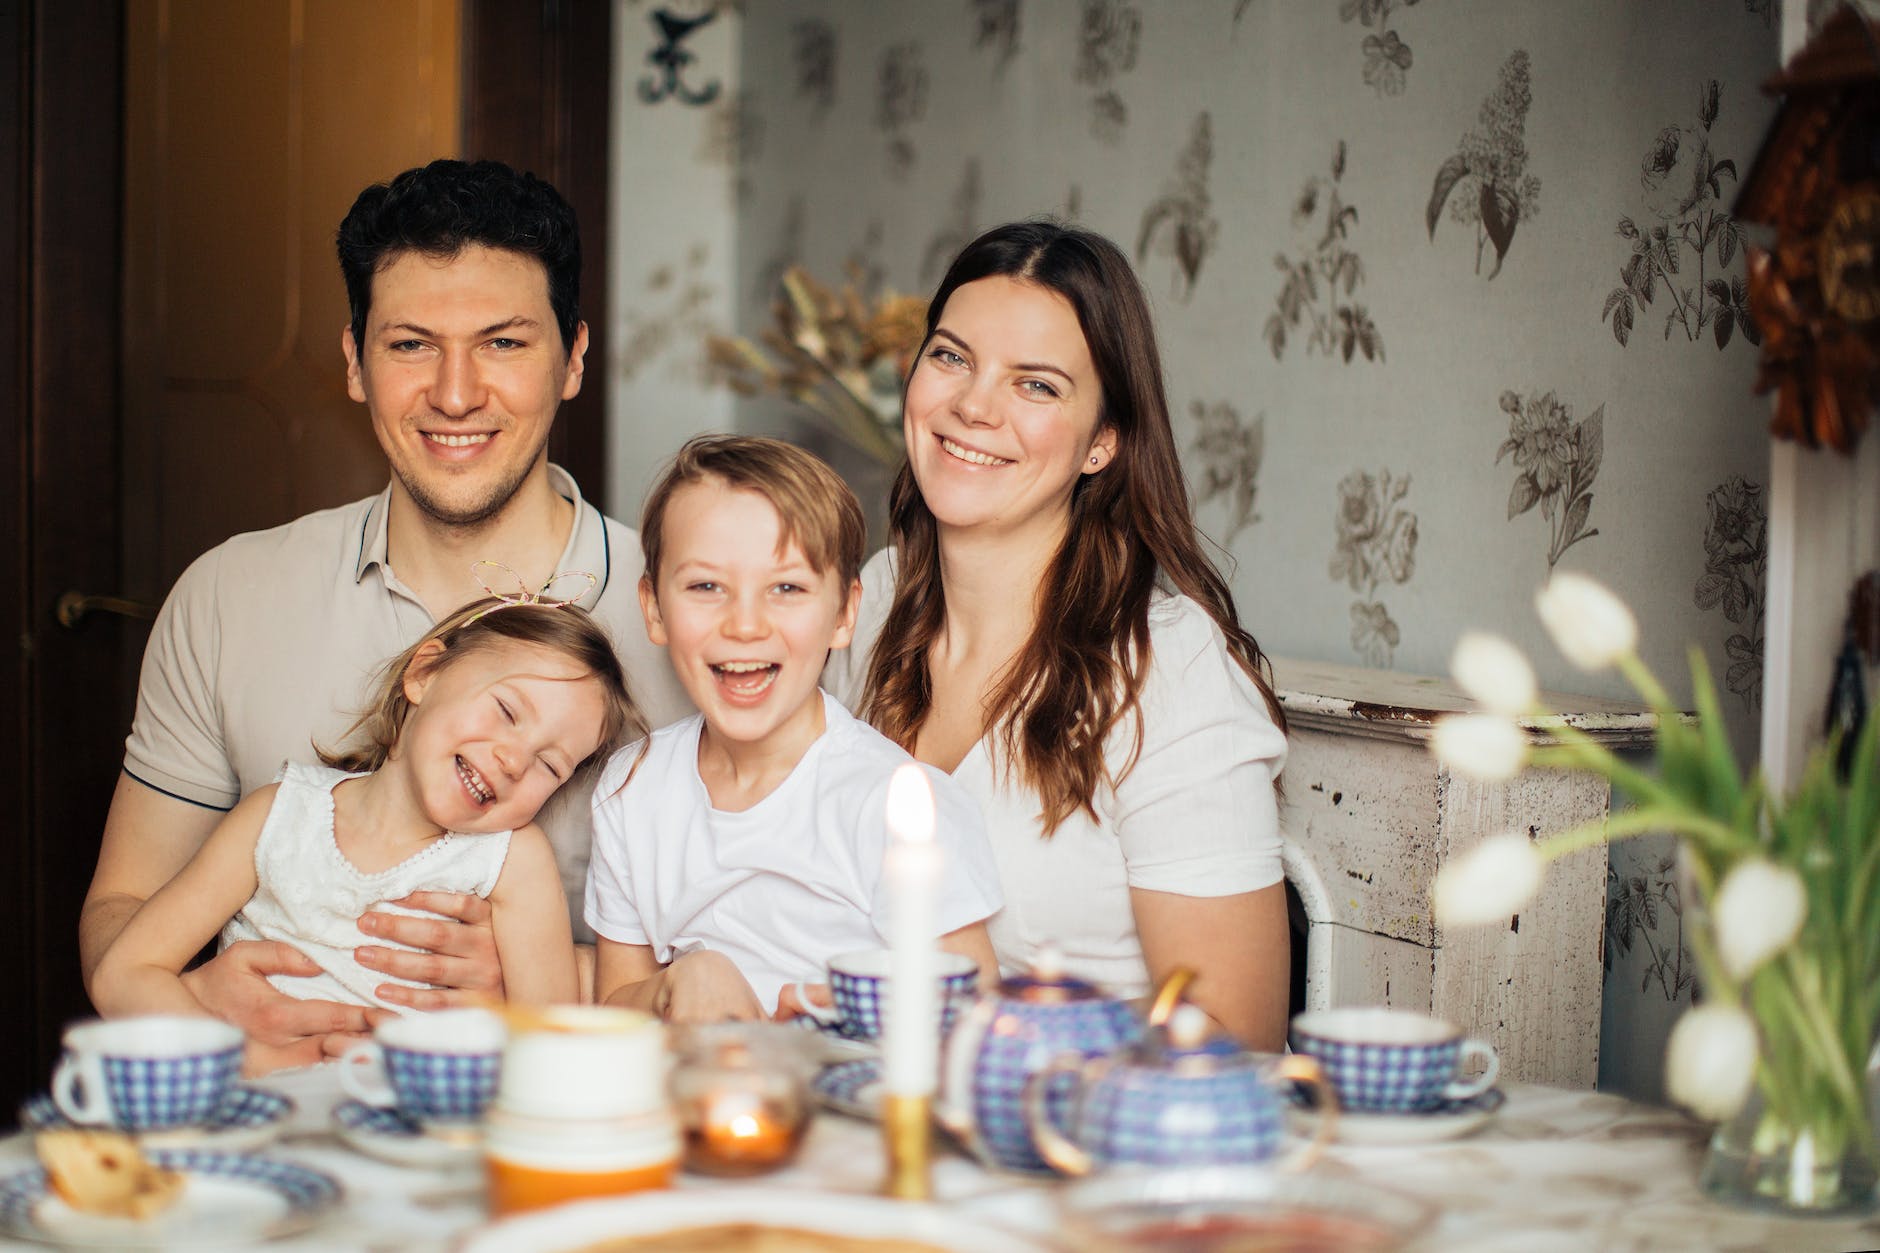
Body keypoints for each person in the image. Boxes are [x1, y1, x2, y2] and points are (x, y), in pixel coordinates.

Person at [80, 159, 689, 1070]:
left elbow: (764, 968)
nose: (454, 393)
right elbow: (122, 912)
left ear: (575, 358)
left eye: (504, 343)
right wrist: (193, 1004)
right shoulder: (228, 594)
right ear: (354, 362)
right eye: (410, 345)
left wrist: (541, 975)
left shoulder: (696, 623)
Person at [824, 222, 1292, 1049]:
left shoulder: (1165, 670)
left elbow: (1237, 1036)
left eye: (1036, 386)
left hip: (1089, 1142)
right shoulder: (873, 600)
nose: (972, 405)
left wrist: (1005, 1055)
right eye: (951, 356)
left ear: (1103, 442)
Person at [90, 598, 641, 1071]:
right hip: (246, 1111)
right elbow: (126, 973)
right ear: (425, 674)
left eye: (551, 765)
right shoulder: (277, 815)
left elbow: (551, 1048)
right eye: (506, 711)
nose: (515, 759)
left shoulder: (514, 860)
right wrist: (246, 1067)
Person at [590, 436, 1002, 1021]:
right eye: (706, 586)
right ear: (654, 608)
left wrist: (841, 1021)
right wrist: (684, 982)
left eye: (786, 588)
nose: (746, 624)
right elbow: (616, 1004)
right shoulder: (631, 788)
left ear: (844, 614)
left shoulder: (894, 803)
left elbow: (972, 1014)